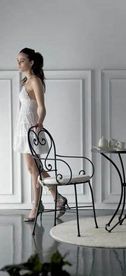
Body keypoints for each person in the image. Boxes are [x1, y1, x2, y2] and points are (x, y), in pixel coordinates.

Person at [14, 47, 67, 222]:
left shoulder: (35, 80)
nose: (19, 63)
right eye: (18, 60)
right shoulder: (25, 81)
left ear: (31, 62)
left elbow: (41, 106)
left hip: (32, 128)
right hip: (23, 128)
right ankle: (57, 198)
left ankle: (36, 206)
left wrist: (40, 123)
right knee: (34, 168)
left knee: (34, 170)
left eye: (22, 60)